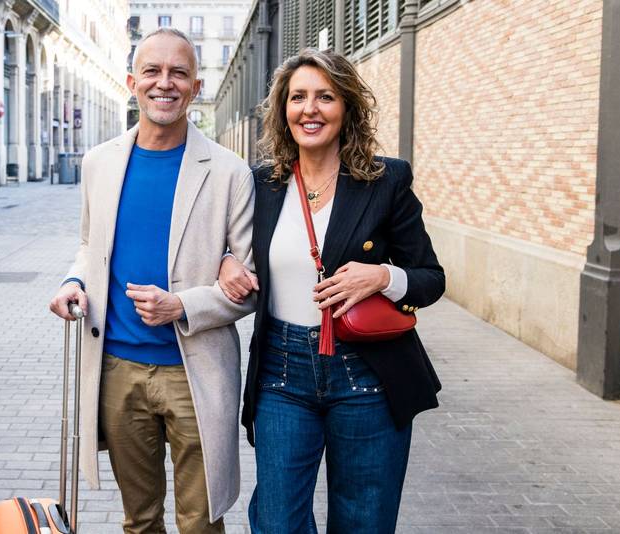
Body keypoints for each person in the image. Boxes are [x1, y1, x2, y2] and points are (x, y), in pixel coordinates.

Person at [218, 48, 445, 533]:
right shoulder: (261, 183)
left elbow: (430, 277)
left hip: (367, 375)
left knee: (364, 520)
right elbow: (228, 247)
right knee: (276, 522)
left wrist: (383, 277)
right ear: (283, 109)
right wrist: (226, 261)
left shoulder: (385, 181)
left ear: (347, 108)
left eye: (325, 96)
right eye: (298, 97)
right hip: (282, 372)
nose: (310, 109)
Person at [49, 27, 255, 534]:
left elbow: (249, 286)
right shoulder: (98, 162)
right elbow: (87, 245)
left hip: (196, 371)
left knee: (200, 522)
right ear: (132, 82)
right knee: (138, 521)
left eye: (178, 73)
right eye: (153, 72)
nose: (165, 83)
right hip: (116, 368)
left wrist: (181, 306)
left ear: (196, 87)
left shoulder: (230, 172)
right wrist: (73, 281)